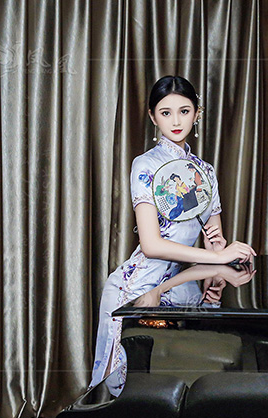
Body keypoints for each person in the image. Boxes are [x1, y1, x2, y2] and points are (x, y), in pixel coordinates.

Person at [89, 75, 256, 395]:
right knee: (129, 394)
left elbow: (213, 240)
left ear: (197, 114)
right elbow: (151, 245)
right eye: (166, 113)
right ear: (153, 117)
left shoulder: (206, 171)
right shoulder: (145, 165)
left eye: (184, 111)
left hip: (184, 289)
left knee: (181, 389)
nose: (176, 121)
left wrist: (219, 255)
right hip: (137, 290)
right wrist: (219, 256)